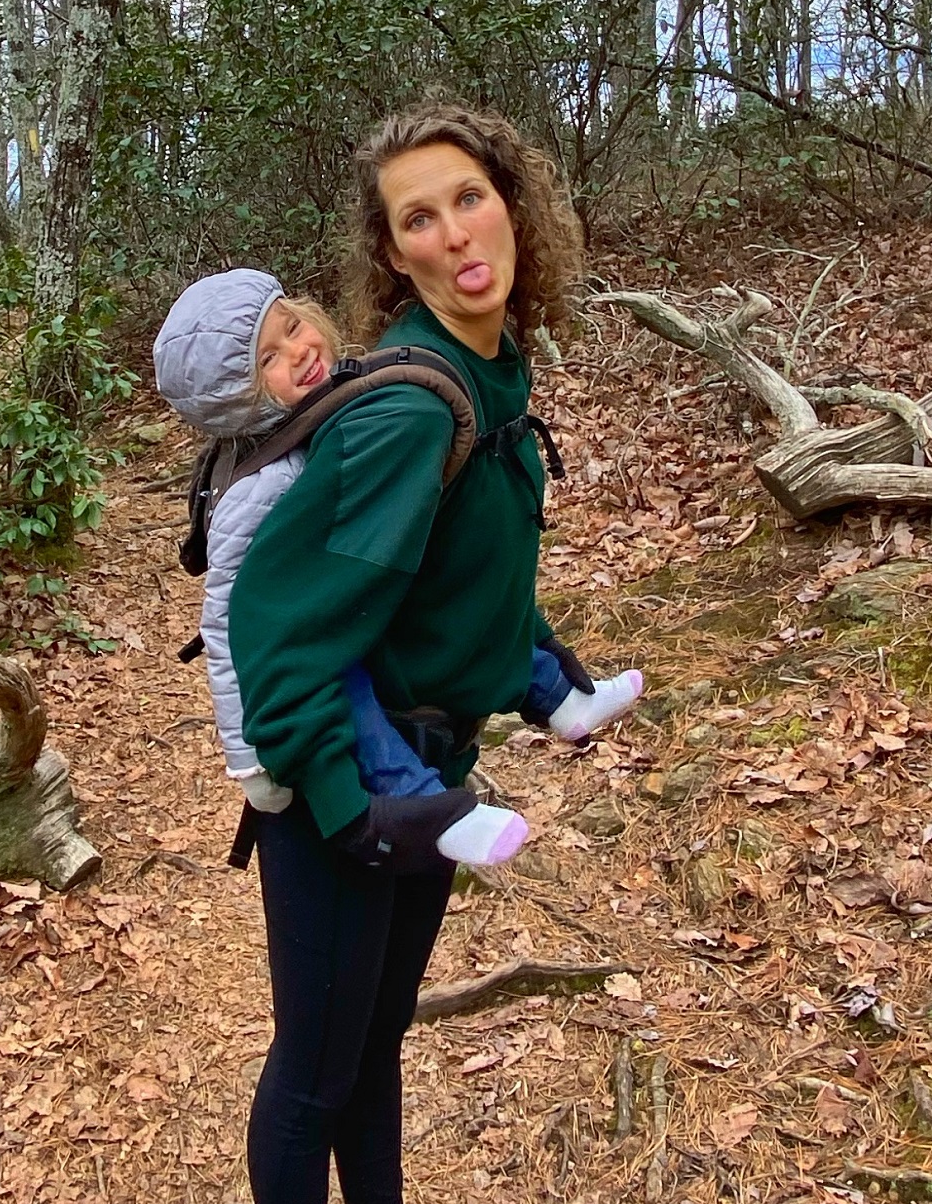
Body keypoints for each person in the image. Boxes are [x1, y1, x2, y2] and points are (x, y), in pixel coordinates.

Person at [224, 105, 642, 1204]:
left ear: (514, 204)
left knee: (376, 1036)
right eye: (418, 218)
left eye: (467, 199)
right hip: (351, 798)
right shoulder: (409, 403)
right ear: (389, 258)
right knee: (317, 1067)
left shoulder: (496, 366)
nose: (454, 233)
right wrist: (352, 809)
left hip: (431, 770)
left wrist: (537, 661)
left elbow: (450, 573)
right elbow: (279, 631)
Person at [151, 267, 643, 871]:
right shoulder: (264, 481)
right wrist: (249, 758)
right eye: (267, 361)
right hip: (313, 643)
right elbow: (230, 623)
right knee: (347, 693)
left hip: (364, 611)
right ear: (236, 402)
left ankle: (562, 699)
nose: (300, 351)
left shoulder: (337, 405)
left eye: (293, 326)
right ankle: (424, 804)